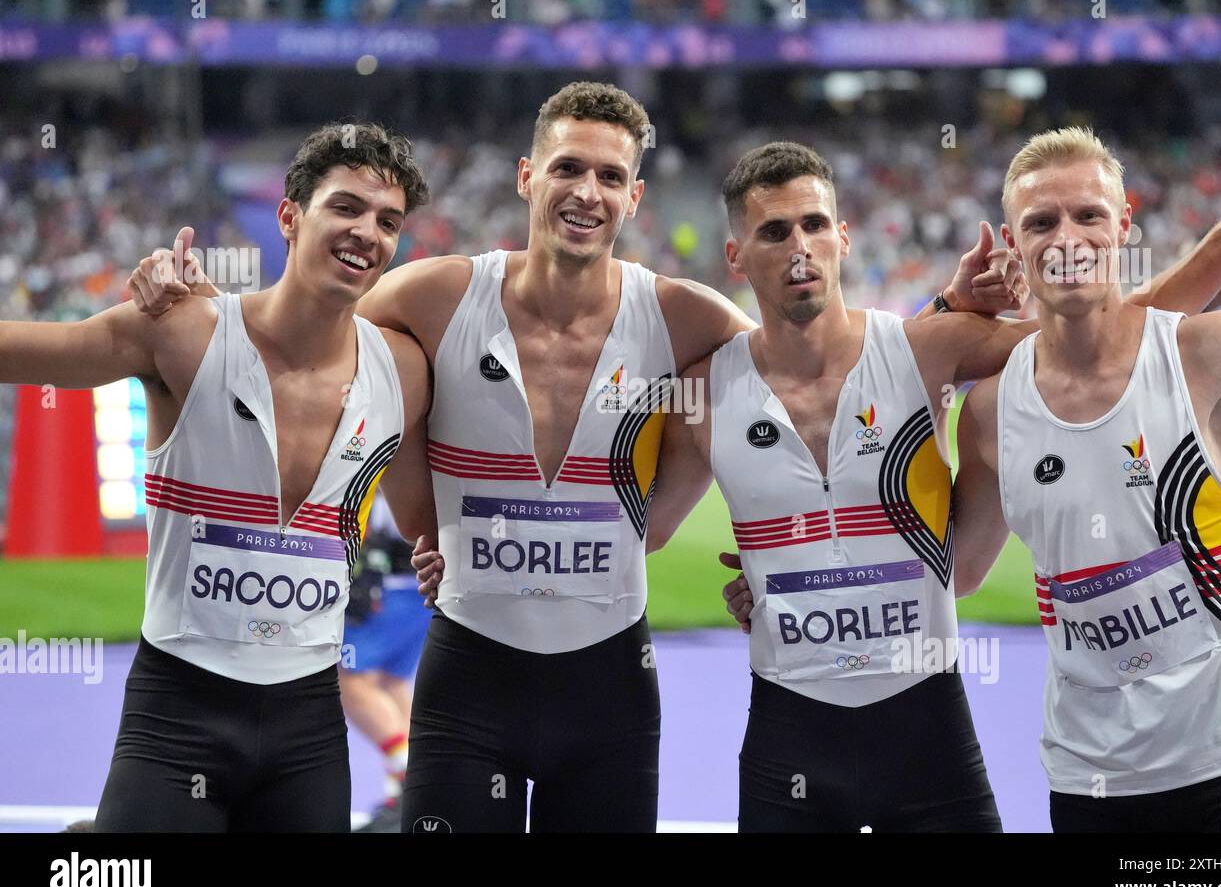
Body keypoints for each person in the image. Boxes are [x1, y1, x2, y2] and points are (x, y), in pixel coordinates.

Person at [142, 82, 755, 832]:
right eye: (567, 168)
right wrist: (212, 313)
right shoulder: (435, 297)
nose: (586, 192)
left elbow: (801, 371)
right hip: (469, 681)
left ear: (635, 197)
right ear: (528, 176)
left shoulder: (682, 316)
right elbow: (305, 339)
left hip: (610, 690)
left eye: (610, 177)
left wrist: (776, 568)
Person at [658, 130, 1221, 831]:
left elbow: (1116, 335)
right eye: (774, 231)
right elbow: (636, 529)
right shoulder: (703, 394)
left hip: (929, 732)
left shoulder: (928, 349)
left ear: (843, 237)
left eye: (814, 224)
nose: (799, 245)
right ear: (735, 255)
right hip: (786, 736)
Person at [1, 123, 439, 831]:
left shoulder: (407, 373)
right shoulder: (182, 331)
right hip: (178, 714)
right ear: (290, 217)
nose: (368, 232)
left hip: (307, 728)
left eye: (388, 221)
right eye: (347, 208)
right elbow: (35, 351)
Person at [952, 99, 1221, 830]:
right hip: (1093, 780)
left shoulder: (1205, 353)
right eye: (1041, 223)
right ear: (1012, 244)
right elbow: (958, 571)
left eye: (1087, 215)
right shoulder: (987, 412)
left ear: (1124, 223)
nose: (1067, 237)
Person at [339, 493, 431, 832]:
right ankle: (407, 790)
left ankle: (408, 776)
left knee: (350, 682)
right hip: (417, 583)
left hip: (387, 581)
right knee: (392, 683)